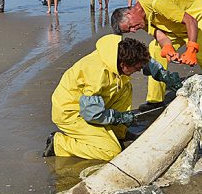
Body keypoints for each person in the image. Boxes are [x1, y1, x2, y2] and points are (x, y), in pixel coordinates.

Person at [110, 0, 202, 133]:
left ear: (129, 13)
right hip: (176, 26)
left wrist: (191, 48)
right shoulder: (141, 19)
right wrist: (168, 48)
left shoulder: (159, 4)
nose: (134, 30)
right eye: (130, 31)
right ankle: (155, 100)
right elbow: (160, 36)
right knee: (155, 50)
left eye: (130, 27)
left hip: (198, 18)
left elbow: (191, 21)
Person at [44, 35, 182, 160]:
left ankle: (118, 132)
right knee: (111, 151)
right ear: (124, 65)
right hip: (72, 112)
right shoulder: (96, 75)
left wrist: (163, 75)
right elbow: (91, 113)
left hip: (92, 105)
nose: (139, 71)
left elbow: (143, 61)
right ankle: (58, 144)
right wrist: (119, 117)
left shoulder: (118, 53)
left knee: (125, 86)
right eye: (136, 68)